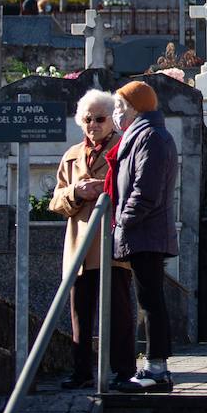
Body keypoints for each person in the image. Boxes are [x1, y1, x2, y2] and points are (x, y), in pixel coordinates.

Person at [49, 90, 136, 389]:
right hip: (79, 247)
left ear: (111, 120)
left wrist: (106, 188)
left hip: (112, 244)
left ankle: (124, 370)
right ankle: (81, 370)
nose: (93, 125)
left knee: (119, 312)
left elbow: (134, 188)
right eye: (87, 119)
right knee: (80, 314)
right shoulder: (72, 155)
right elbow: (56, 200)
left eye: (100, 119)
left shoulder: (124, 148)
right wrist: (76, 192)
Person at [109, 81, 178, 392]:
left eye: (120, 107)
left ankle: (156, 367)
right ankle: (154, 365)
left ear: (135, 108)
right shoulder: (141, 135)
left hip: (145, 232)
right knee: (148, 298)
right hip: (143, 232)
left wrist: (122, 223)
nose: (116, 114)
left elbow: (145, 192)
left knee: (150, 300)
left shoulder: (150, 137)